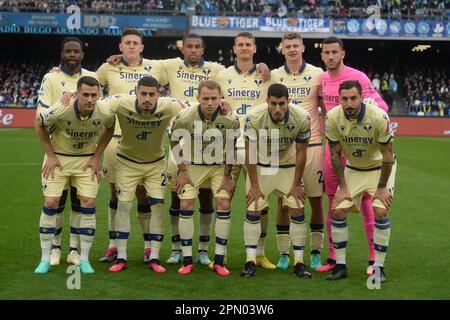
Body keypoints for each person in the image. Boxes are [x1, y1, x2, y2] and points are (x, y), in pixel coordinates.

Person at [319, 36, 389, 274]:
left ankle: (373, 258)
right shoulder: (321, 79)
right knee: (335, 200)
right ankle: (333, 258)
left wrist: (372, 104)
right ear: (322, 56)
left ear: (342, 54)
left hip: (361, 150)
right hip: (336, 148)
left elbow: (382, 107)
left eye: (334, 52)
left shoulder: (358, 77)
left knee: (368, 203)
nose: (330, 56)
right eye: (326, 52)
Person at [101, 76, 185, 273]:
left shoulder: (169, 106)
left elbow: (194, 105)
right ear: (136, 93)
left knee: (157, 206)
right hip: (127, 163)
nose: (147, 99)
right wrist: (71, 97)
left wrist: (222, 103)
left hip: (155, 165)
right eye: (143, 94)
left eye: (151, 94)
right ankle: (121, 256)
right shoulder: (122, 102)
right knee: (123, 205)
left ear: (159, 95)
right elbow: (94, 103)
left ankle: (154, 256)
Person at [96, 28, 165, 264]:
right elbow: (87, 85)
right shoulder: (108, 68)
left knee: (144, 194)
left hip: (145, 141)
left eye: (136, 42)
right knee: (115, 194)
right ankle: (113, 246)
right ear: (121, 46)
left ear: (142, 47)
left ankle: (148, 247)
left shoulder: (156, 67)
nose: (132, 46)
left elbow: (185, 71)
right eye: (128, 43)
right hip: (115, 141)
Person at [34, 76, 115, 274]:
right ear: (76, 94)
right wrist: (50, 155)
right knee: (52, 202)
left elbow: (110, 127)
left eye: (93, 95)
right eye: (85, 94)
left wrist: (97, 157)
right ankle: (45, 258)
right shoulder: (62, 108)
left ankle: (83, 258)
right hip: (59, 160)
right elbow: (39, 123)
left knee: (88, 203)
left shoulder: (104, 111)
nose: (89, 99)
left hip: (86, 161)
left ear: (99, 95)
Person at [325, 80, 396, 282]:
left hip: (379, 168)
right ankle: (340, 266)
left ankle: (379, 267)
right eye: (344, 99)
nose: (349, 103)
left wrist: (382, 188)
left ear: (361, 98)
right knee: (338, 209)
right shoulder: (332, 117)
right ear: (339, 99)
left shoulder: (378, 117)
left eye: (353, 98)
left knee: (380, 210)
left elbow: (388, 155)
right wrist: (343, 187)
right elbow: (336, 155)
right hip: (353, 168)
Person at [36, 37, 98, 267]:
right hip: (58, 151)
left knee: (80, 202)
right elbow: (41, 117)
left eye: (76, 51)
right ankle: (54, 248)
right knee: (55, 202)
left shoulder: (93, 77)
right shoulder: (51, 78)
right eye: (68, 51)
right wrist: (62, 107)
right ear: (62, 53)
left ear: (82, 54)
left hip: (85, 153)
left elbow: (102, 113)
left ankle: (74, 250)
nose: (72, 55)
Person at [215, 32, 274, 270]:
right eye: (240, 44)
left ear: (255, 48)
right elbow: (209, 99)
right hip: (228, 143)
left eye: (248, 44)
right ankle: (222, 254)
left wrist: (265, 65)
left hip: (260, 145)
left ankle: (259, 254)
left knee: (262, 202)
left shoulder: (268, 74)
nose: (244, 48)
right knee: (223, 197)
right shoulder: (222, 75)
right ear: (234, 48)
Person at [241, 83, 312, 278]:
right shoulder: (254, 117)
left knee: (297, 207)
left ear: (288, 101)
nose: (278, 109)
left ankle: (299, 262)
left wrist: (297, 183)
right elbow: (250, 152)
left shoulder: (302, 117)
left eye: (282, 104)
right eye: (273, 104)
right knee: (253, 206)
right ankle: (250, 260)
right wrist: (254, 185)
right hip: (263, 166)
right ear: (267, 102)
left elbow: (301, 152)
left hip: (288, 166)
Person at [170, 80, 239, 276]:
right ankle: (186, 260)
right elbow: (174, 138)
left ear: (221, 98)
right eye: (206, 98)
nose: (210, 103)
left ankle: (218, 260)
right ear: (197, 98)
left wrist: (228, 176)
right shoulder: (185, 116)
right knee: (185, 205)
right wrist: (182, 170)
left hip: (218, 167)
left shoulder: (231, 119)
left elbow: (231, 147)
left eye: (214, 99)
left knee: (224, 204)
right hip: (192, 165)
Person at [271, 32, 325, 270]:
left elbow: (326, 106)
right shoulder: (273, 75)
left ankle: (315, 251)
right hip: (284, 149)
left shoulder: (317, 74)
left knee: (315, 200)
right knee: (284, 203)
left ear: (303, 47)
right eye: (287, 46)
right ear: (282, 49)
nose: (292, 49)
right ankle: (284, 252)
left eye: (296, 45)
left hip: (312, 145)